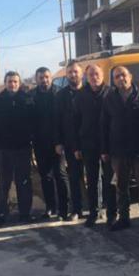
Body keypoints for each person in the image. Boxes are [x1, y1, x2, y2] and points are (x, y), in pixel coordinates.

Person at [101, 65, 139, 232]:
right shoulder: (109, 98)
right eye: (116, 77)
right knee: (121, 187)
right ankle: (124, 218)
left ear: (130, 76)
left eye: (123, 75)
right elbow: (104, 125)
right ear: (113, 81)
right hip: (118, 151)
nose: (120, 79)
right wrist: (105, 150)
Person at [0, 71, 35, 225]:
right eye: (9, 81)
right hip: (3, 149)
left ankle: (25, 213)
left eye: (15, 81)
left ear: (19, 83)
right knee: (3, 183)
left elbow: (34, 122)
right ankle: (1, 214)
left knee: (24, 182)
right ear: (5, 83)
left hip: (23, 148)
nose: (12, 84)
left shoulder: (27, 99)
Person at [75, 62, 116, 227]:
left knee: (110, 180)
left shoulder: (111, 93)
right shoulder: (80, 95)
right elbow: (75, 121)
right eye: (91, 74)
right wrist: (77, 146)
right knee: (92, 180)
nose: (94, 77)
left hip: (109, 143)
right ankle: (94, 212)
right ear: (86, 77)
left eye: (97, 74)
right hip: (88, 143)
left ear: (102, 75)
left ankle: (112, 213)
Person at [32, 67, 69, 220]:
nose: (44, 80)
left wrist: (61, 141)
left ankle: (64, 208)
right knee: (45, 176)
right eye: (41, 77)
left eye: (47, 77)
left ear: (51, 77)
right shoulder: (31, 96)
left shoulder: (59, 93)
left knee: (60, 175)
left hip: (57, 143)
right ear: (36, 79)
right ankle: (50, 207)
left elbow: (64, 119)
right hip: (40, 143)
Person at [54, 60, 85, 219]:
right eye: (70, 72)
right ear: (66, 75)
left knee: (95, 178)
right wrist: (58, 142)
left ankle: (97, 208)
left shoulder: (89, 92)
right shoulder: (61, 96)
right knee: (74, 177)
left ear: (81, 73)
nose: (73, 75)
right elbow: (57, 120)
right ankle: (76, 209)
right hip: (70, 142)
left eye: (75, 71)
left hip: (90, 142)